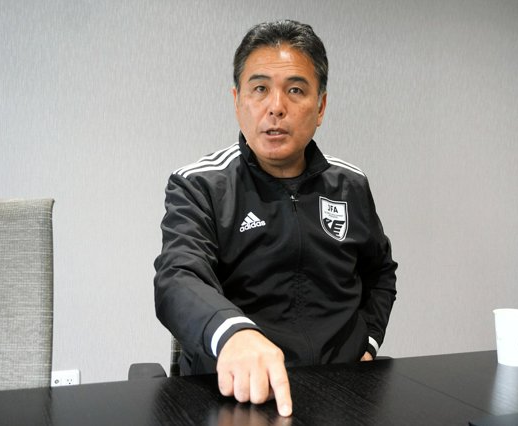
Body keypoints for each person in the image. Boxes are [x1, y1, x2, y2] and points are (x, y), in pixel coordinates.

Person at [154, 20, 397, 417]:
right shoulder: (200, 184)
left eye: (296, 90)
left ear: (320, 107)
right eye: (260, 89)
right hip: (239, 395)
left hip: (342, 392)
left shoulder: (350, 184)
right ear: (237, 101)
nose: (276, 107)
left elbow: (380, 272)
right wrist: (233, 333)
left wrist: (368, 341)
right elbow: (177, 278)